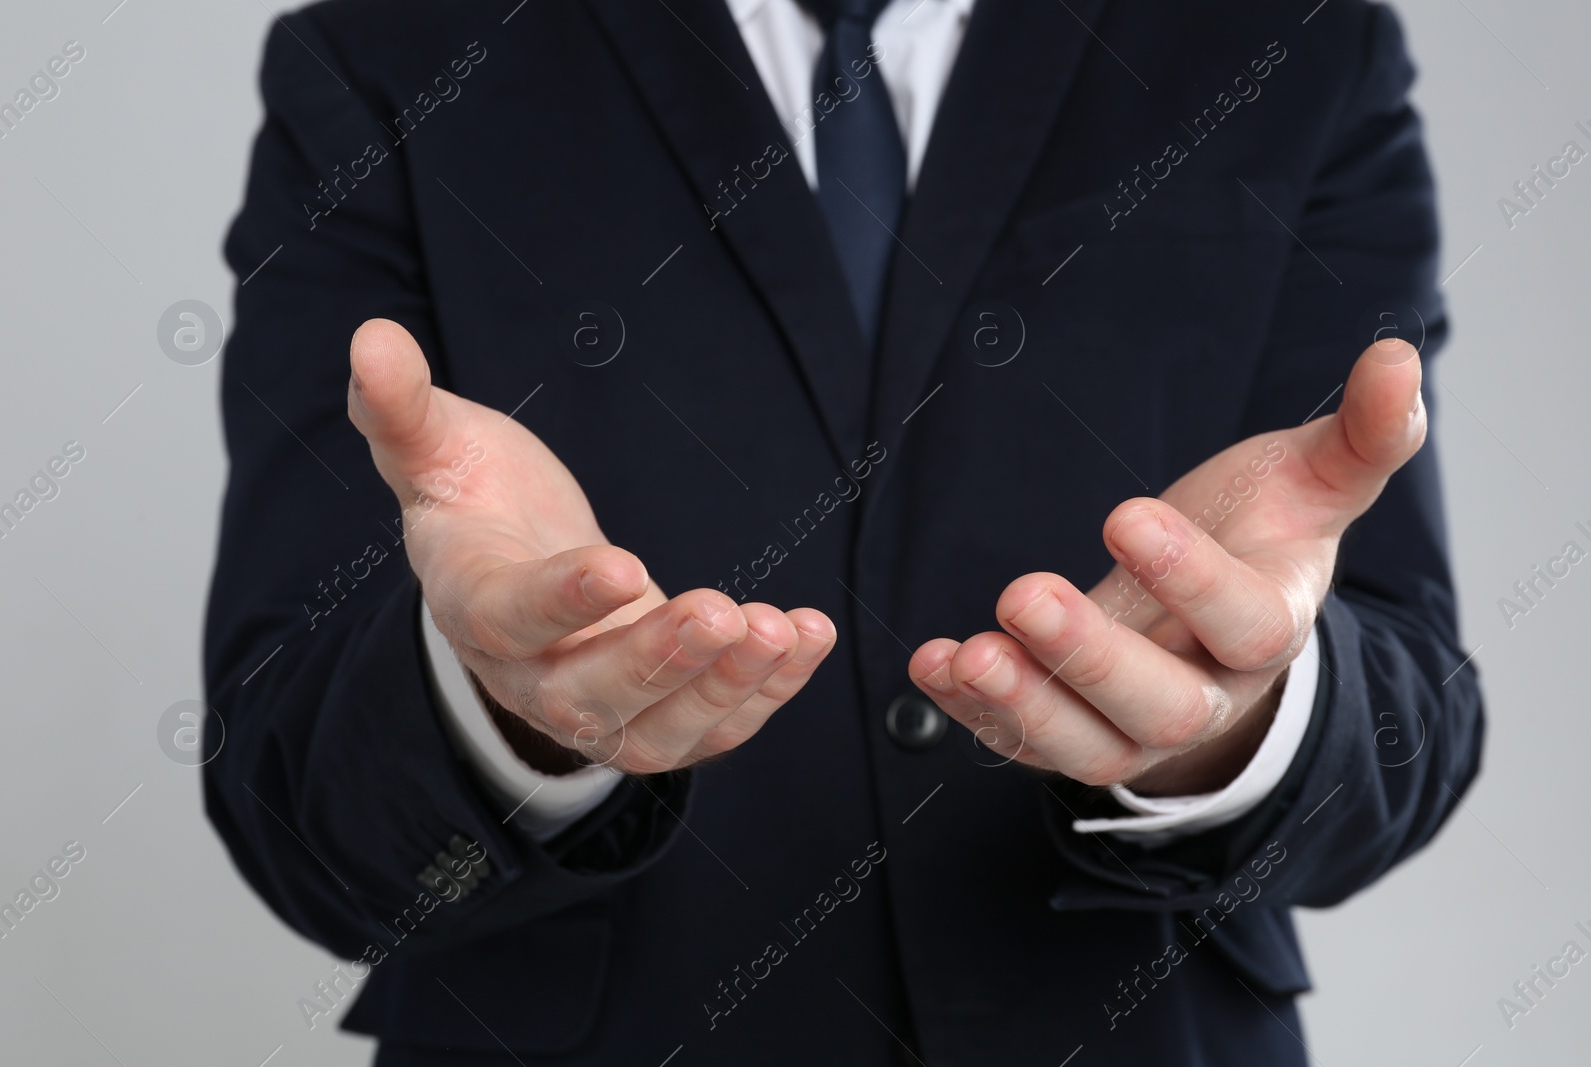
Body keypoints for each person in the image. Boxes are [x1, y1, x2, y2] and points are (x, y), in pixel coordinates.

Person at [205, 0, 1484, 1063]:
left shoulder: (1295, 44)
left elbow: (1413, 726)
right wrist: (500, 711)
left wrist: (1244, 717)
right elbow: (286, 798)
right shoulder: (392, 54)